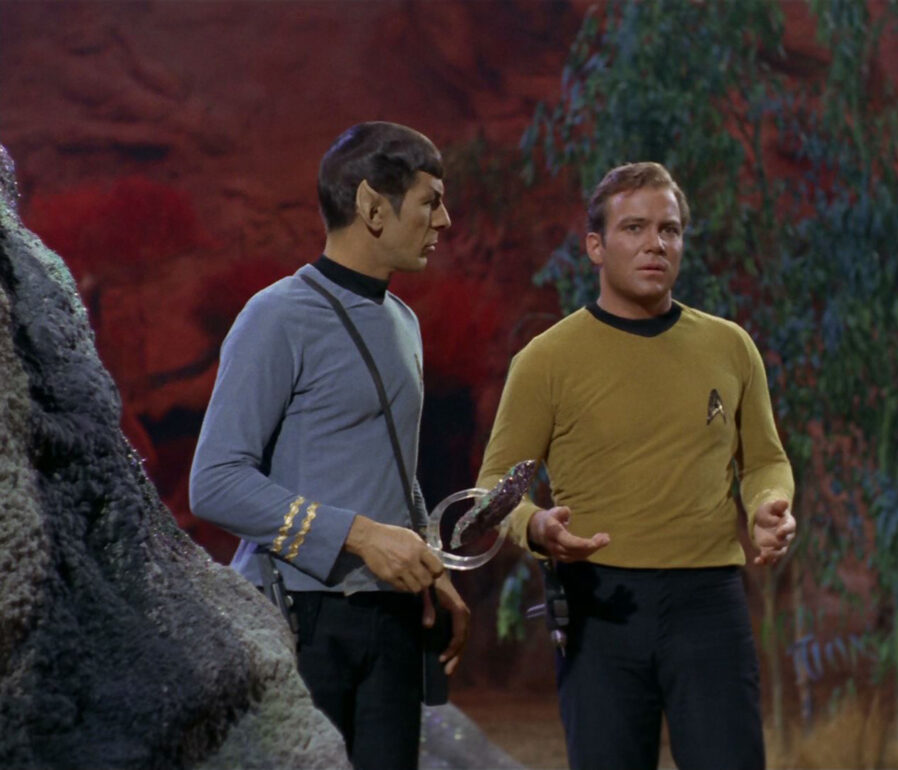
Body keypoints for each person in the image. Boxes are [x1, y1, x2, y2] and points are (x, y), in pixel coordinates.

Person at [476, 162, 796, 770]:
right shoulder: (546, 360)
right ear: (595, 247)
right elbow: (494, 485)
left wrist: (766, 506)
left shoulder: (730, 346)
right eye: (635, 228)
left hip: (709, 601)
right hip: (599, 602)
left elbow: (765, 461)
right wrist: (535, 527)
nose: (656, 244)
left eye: (669, 230)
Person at [190, 121, 469, 770]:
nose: (445, 220)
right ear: (372, 206)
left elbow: (386, 459)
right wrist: (361, 536)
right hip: (302, 620)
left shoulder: (404, 321)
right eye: (430, 201)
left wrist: (428, 560)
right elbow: (216, 481)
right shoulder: (275, 315)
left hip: (393, 621)